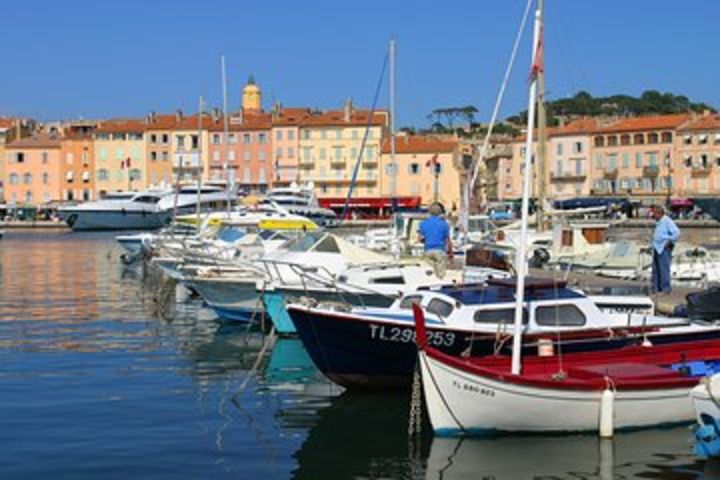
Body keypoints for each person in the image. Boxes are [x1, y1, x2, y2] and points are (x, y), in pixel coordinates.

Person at [651, 204, 680, 294]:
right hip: (656, 247)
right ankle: (656, 288)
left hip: (663, 248)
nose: (653, 216)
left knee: (664, 268)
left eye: (654, 214)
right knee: (655, 269)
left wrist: (669, 241)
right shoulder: (658, 222)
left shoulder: (667, 221)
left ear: (659, 213)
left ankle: (665, 289)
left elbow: (677, 233)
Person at [419, 202, 452, 278]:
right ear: (440, 212)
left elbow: (420, 238)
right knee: (440, 275)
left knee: (429, 275)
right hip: (440, 250)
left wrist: (428, 240)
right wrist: (450, 253)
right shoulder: (444, 224)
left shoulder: (423, 223)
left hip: (428, 250)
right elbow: (448, 240)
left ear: (430, 212)